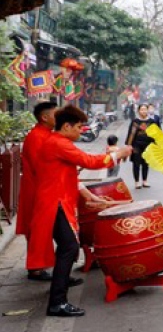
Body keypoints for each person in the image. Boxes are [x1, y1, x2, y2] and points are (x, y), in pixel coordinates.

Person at [33, 106, 132, 316]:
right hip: (55, 203)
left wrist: (90, 196)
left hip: (56, 201)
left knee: (67, 248)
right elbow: (89, 161)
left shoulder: (57, 142)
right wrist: (118, 155)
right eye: (78, 127)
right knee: (69, 248)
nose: (81, 131)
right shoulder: (59, 143)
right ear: (66, 126)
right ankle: (57, 302)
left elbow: (68, 174)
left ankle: (58, 298)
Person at [18, 101, 58, 281]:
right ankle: (35, 268)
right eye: (55, 114)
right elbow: (39, 166)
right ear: (45, 117)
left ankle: (40, 265)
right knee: (36, 229)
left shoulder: (46, 134)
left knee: (43, 229)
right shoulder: (36, 137)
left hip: (44, 187)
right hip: (36, 188)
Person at [126, 104, 158, 189]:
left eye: (145, 109)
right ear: (138, 111)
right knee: (136, 163)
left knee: (146, 163)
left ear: (147, 110)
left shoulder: (152, 122)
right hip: (136, 144)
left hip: (148, 145)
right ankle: (137, 182)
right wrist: (129, 145)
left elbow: (156, 134)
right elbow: (131, 134)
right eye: (142, 110)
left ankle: (145, 180)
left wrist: (156, 144)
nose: (143, 111)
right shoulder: (135, 122)